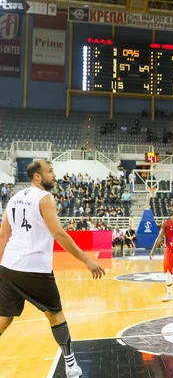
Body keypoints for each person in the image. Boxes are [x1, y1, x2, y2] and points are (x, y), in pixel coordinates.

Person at [0, 160, 106, 378]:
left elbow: (3, 236)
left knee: (4, 317)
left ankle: (71, 365)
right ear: (37, 176)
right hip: (34, 268)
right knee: (55, 315)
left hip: (9, 266)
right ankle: (71, 366)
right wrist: (87, 261)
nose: (54, 175)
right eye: (50, 171)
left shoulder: (13, 199)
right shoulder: (44, 197)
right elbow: (59, 234)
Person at [149, 203, 173, 304]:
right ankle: (170, 294)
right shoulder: (166, 222)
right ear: (172, 209)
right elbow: (160, 237)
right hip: (170, 249)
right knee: (168, 272)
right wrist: (153, 249)